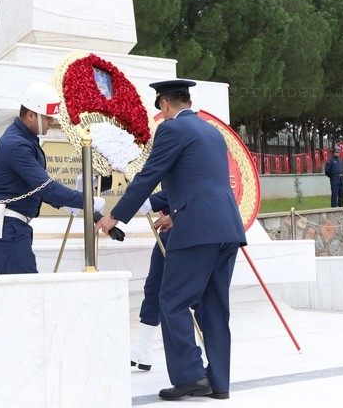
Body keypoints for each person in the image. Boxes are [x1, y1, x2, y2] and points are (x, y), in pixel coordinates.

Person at [94, 79, 247, 401]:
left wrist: (114, 217)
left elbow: (149, 175)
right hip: (226, 228)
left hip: (196, 232)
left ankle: (191, 376)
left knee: (173, 301)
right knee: (215, 308)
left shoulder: (171, 130)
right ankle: (219, 383)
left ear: (164, 104)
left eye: (159, 110)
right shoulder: (211, 131)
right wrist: (176, 212)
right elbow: (201, 181)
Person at [0, 81, 105, 274]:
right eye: (48, 118)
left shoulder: (25, 140)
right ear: (31, 115)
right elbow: (46, 188)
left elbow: (37, 189)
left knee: (24, 290)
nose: (52, 123)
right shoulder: (17, 145)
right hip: (8, 226)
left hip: (13, 226)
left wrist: (71, 203)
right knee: (24, 292)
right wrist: (87, 201)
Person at [130, 191, 170, 372]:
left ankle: (202, 355)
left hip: (192, 231)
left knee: (189, 296)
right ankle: (142, 349)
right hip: (168, 232)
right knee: (153, 288)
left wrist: (149, 200)